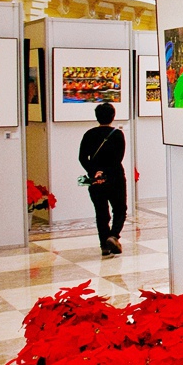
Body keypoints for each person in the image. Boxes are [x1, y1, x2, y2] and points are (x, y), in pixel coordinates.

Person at [79, 102, 127, 256]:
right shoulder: (118, 134)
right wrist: (106, 172)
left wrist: (95, 172)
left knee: (101, 213)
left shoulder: (89, 134)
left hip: (95, 180)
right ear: (113, 116)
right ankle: (113, 236)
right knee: (119, 209)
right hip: (115, 178)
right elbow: (118, 158)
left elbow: (82, 157)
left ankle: (104, 246)